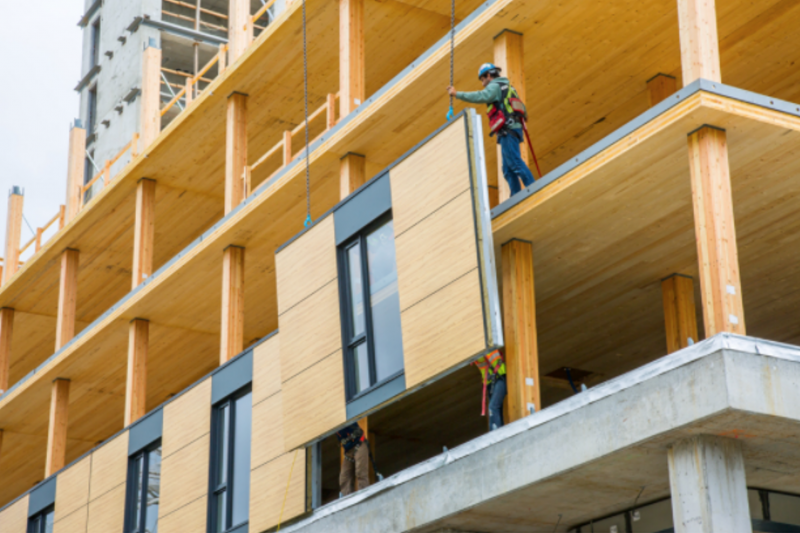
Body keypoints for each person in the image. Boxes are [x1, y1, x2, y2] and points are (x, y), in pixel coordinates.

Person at [447, 63, 536, 196]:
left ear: (489, 75)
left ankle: (533, 188)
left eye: (482, 79)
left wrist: (457, 94)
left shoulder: (495, 86)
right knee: (507, 169)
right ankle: (516, 196)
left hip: (508, 130)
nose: (483, 84)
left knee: (515, 163)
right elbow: (523, 109)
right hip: (513, 128)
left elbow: (481, 96)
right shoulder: (509, 87)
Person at [473, 349, 507, 431]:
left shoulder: (486, 346)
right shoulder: (477, 353)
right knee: (496, 409)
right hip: (491, 383)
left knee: (493, 407)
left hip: (501, 378)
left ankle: (496, 433)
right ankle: (500, 432)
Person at [336, 422, 370, 496]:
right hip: (349, 451)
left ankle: (364, 497)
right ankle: (347, 501)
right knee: (344, 477)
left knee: (360, 473)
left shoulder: (340, 415)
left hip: (359, 444)